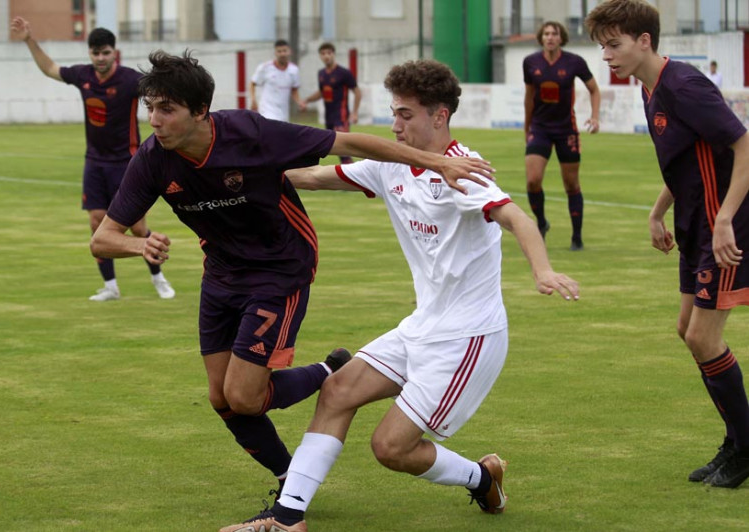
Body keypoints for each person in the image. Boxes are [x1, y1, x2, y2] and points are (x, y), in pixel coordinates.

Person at [90, 50, 497, 502]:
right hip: (222, 273)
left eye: (166, 109)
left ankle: (327, 374)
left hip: (280, 267)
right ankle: (290, 477)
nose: (154, 120)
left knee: (244, 397)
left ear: (200, 111)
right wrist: (137, 244)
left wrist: (438, 163)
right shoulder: (152, 160)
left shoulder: (250, 133)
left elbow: (352, 142)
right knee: (220, 398)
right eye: (150, 108)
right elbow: (102, 239)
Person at [220, 59, 580, 532]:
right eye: (394, 113)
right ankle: (288, 519)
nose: (395, 126)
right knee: (337, 390)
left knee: (390, 448)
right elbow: (306, 177)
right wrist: (235, 168)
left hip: (467, 338)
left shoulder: (463, 171)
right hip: (421, 325)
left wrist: (543, 269)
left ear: (439, 116)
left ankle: (480, 477)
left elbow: (518, 218)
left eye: (406, 115)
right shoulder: (389, 166)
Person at [587, 0, 749, 489]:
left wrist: (725, 220)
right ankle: (737, 440)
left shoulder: (684, 85)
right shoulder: (650, 88)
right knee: (688, 330)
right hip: (695, 226)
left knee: (703, 337)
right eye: (602, 47)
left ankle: (745, 447)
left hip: (724, 228)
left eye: (614, 45)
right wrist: (659, 210)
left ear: (644, 41)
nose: (607, 56)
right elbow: (685, 159)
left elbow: (744, 147)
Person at [10, 16, 175, 301]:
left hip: (126, 163)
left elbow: (160, 90)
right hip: (95, 162)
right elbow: (50, 68)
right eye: (96, 52)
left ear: (114, 52)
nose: (100, 57)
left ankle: (157, 276)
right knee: (97, 223)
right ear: (90, 53)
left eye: (106, 52)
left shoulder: (130, 80)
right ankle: (111, 287)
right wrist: (28, 39)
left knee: (136, 226)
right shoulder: (83, 76)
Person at [523, 21, 601, 251]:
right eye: (546, 33)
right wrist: (527, 128)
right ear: (541, 37)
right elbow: (529, 97)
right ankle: (541, 223)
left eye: (554, 34)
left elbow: (594, 89)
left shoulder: (574, 62)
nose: (549, 37)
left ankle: (577, 237)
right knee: (532, 180)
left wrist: (595, 116)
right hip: (540, 128)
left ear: (561, 38)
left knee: (571, 184)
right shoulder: (530, 62)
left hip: (566, 129)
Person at [300, 42, 363, 164]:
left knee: (343, 150)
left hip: (341, 116)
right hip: (329, 117)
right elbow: (321, 92)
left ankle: (353, 179)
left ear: (333, 54)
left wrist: (355, 113)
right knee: (334, 149)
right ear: (320, 56)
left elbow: (357, 92)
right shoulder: (321, 73)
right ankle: (348, 177)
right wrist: (306, 100)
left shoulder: (344, 73)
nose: (326, 56)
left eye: (329, 53)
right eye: (323, 53)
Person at [250, 39, 303, 122]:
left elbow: (294, 90)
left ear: (289, 52)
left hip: (283, 113)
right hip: (267, 111)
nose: (282, 54)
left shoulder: (294, 70)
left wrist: (299, 102)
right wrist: (253, 100)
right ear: (275, 53)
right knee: (271, 132)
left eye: (284, 51)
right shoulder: (265, 67)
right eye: (279, 51)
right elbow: (253, 83)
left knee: (282, 133)